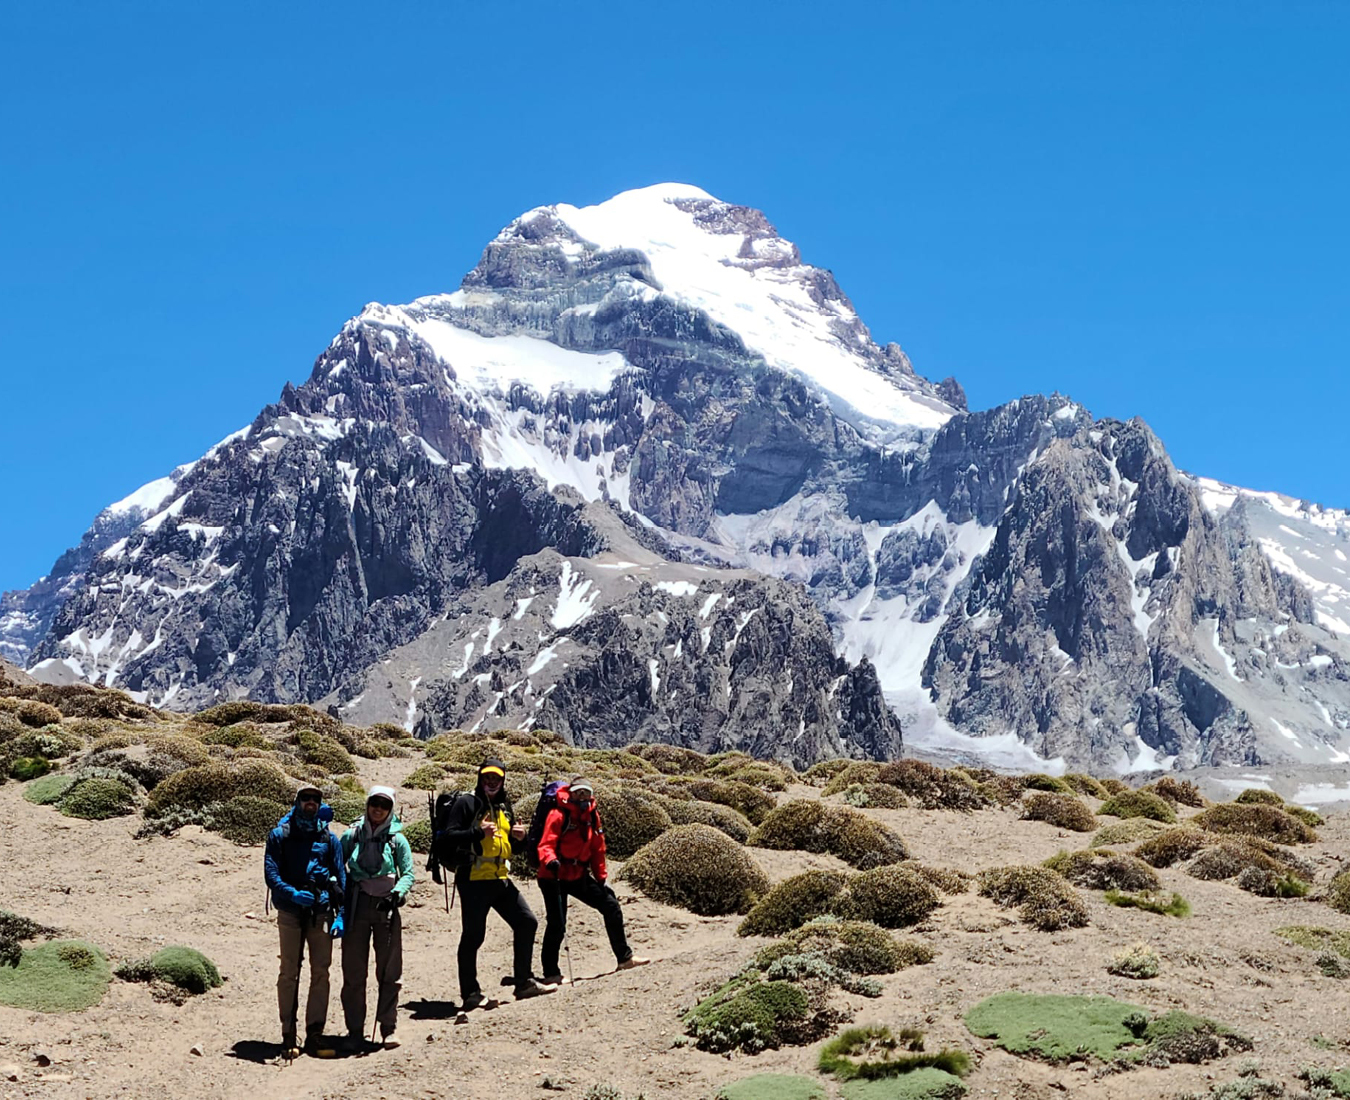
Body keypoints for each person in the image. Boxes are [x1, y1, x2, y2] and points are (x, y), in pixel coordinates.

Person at [440, 758, 553, 1007]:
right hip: (473, 880)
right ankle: (470, 993)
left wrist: (519, 839)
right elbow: (449, 835)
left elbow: (510, 846)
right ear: (480, 779)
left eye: (496, 779)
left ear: (502, 781)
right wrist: (478, 832)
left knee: (526, 922)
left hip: (499, 878)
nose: (491, 783)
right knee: (473, 936)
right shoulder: (467, 803)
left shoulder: (504, 806)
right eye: (487, 778)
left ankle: (523, 983)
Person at [536, 778, 648, 984]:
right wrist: (550, 860)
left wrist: (601, 876)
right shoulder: (558, 814)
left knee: (610, 905)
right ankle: (551, 973)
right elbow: (546, 844)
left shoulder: (592, 816)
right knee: (557, 923)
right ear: (571, 793)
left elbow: (598, 848)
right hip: (553, 876)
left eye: (586, 793)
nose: (582, 797)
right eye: (579, 792)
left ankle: (624, 958)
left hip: (578, 874)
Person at [263, 783, 346, 1058]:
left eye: (315, 799)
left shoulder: (329, 839)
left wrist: (342, 915)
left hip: (321, 910)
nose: (311, 802)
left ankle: (315, 1033)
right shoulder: (279, 835)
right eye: (306, 798)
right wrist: (292, 893)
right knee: (289, 971)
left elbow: (341, 877)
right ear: (297, 802)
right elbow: (271, 875)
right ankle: (288, 1032)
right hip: (289, 911)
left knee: (321, 971)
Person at [339, 785, 414, 1051]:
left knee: (389, 970)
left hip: (387, 909)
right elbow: (338, 863)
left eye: (384, 804)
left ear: (391, 808)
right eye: (374, 803)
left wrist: (398, 893)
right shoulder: (352, 834)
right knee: (353, 969)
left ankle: (388, 1028)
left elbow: (408, 873)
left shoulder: (398, 840)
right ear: (368, 803)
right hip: (357, 904)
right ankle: (355, 1030)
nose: (378, 809)